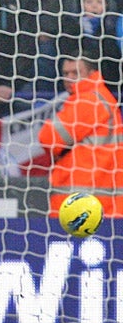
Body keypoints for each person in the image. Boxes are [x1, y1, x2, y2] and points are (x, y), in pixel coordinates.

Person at [35, 55, 123, 218]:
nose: (69, 78)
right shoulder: (100, 97)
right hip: (100, 201)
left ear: (91, 73)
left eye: (75, 73)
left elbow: (48, 138)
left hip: (84, 203)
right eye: (66, 73)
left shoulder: (88, 100)